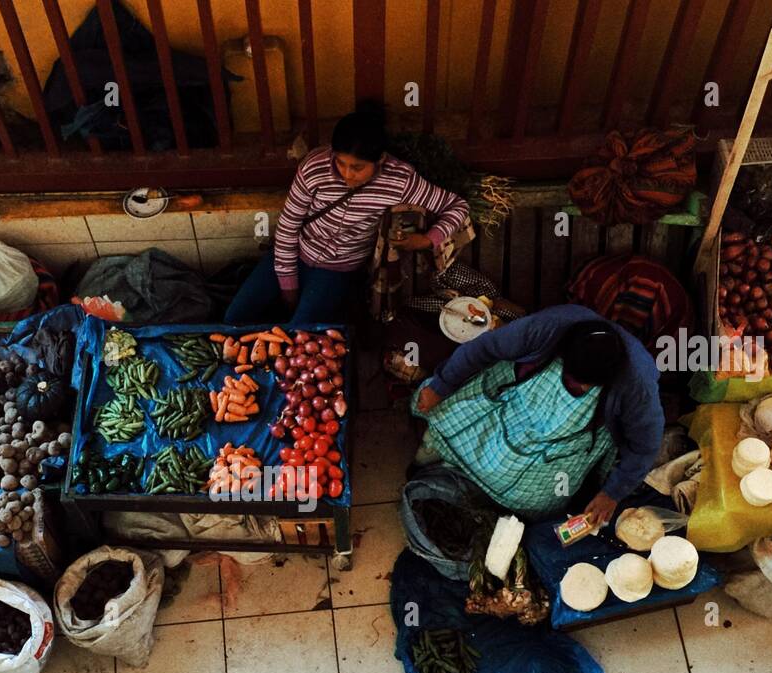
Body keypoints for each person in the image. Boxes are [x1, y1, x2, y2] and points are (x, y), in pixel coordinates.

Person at [414, 305, 664, 524]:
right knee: (444, 409)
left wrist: (611, 493)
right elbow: (484, 348)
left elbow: (645, 446)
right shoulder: (549, 326)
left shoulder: (637, 383)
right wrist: (441, 387)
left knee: (542, 494)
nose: (582, 388)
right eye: (575, 380)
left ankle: (497, 494)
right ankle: (442, 449)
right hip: (514, 399)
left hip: (568, 437)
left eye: (589, 385)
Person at [224, 103, 471, 325]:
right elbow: (288, 229)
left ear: (381, 160)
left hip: (337, 269)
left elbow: (457, 206)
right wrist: (289, 289)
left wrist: (429, 239)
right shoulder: (314, 168)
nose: (347, 174)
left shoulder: (401, 180)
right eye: (340, 163)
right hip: (295, 253)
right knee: (234, 318)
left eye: (357, 168)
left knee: (300, 333)